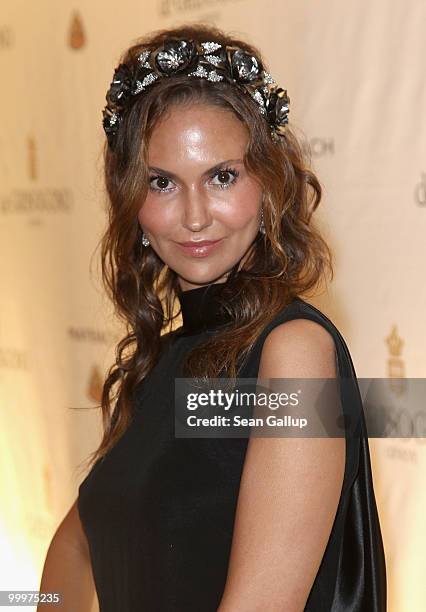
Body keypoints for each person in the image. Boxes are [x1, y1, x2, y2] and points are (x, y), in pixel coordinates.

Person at [38, 23, 387, 612]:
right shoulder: (160, 366)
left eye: (222, 176)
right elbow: (74, 548)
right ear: (131, 201)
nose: (195, 216)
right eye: (162, 182)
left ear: (269, 186)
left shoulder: (293, 353)